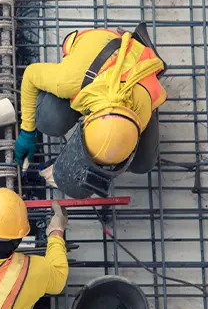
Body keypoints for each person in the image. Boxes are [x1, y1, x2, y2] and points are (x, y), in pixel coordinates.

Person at [14, 23, 168, 193]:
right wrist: (27, 131)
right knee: (48, 120)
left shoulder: (143, 108)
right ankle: (132, 40)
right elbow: (30, 75)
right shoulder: (69, 80)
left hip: (137, 71)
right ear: (86, 121)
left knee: (142, 163)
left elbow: (111, 145)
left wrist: (74, 167)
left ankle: (141, 47)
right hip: (97, 50)